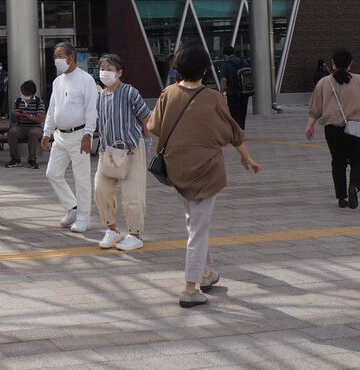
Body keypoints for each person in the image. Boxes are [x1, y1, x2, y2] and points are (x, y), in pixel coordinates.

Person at [148, 42, 262, 308]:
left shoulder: (168, 93)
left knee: (195, 223)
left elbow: (154, 126)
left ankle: (206, 273)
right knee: (198, 229)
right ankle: (190, 288)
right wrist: (245, 156)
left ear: (178, 66)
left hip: (176, 169)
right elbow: (233, 132)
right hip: (207, 171)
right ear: (205, 69)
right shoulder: (213, 98)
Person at [94, 54, 151, 251]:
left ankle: (135, 235)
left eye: (109, 69)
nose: (104, 72)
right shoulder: (100, 96)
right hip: (108, 151)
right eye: (102, 68)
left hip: (132, 149)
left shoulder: (130, 92)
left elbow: (146, 118)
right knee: (100, 190)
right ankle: (112, 230)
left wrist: (148, 142)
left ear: (119, 73)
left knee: (133, 195)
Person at [42, 41, 98, 233]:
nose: (57, 60)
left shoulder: (86, 79)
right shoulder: (57, 81)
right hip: (60, 136)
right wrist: (47, 132)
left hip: (79, 135)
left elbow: (91, 109)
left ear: (71, 56)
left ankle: (84, 218)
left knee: (81, 178)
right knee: (53, 173)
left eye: (60, 56)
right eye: (55, 57)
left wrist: (88, 134)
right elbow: (52, 109)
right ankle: (72, 207)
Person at [306, 48, 360, 208]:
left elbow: (315, 109)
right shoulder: (358, 80)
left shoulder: (324, 82)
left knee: (338, 162)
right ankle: (355, 186)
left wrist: (310, 125)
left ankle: (342, 197)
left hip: (332, 129)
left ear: (333, 63)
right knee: (358, 161)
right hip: (356, 128)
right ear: (351, 63)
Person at [5, 80, 46, 169]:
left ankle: (32, 159)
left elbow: (39, 119)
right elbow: (13, 121)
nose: (25, 96)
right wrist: (14, 115)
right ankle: (15, 159)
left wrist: (26, 115)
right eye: (23, 93)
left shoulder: (39, 102)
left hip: (36, 128)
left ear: (32, 93)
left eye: (27, 94)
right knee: (12, 132)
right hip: (21, 127)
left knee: (33, 133)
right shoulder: (18, 101)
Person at [219, 45, 250, 130]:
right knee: (243, 113)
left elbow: (224, 80)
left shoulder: (226, 64)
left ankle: (236, 132)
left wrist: (221, 92)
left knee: (234, 114)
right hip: (245, 91)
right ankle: (241, 131)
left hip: (233, 92)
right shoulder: (244, 62)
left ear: (225, 55)